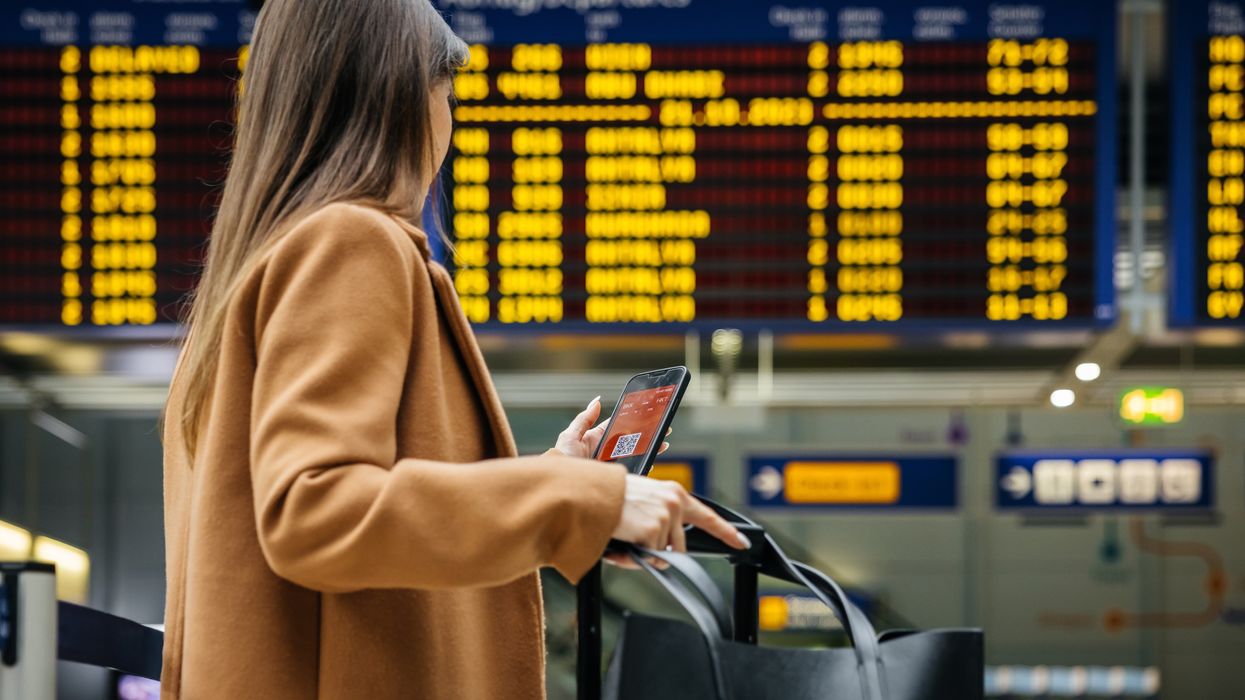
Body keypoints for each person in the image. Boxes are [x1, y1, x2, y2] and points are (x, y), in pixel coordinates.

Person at [160, 0, 745, 697]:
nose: (452, 122)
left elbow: (331, 515)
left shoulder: (240, 285)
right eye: (448, 93)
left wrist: (546, 482)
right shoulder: (350, 242)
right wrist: (569, 501)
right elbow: (316, 511)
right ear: (400, 95)